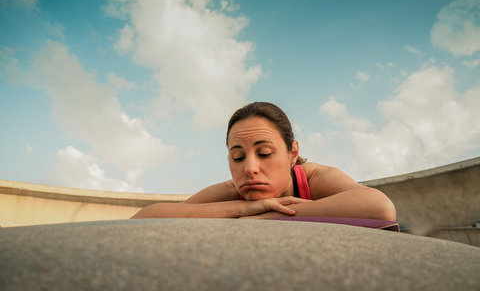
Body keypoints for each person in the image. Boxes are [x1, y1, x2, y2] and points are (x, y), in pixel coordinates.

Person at [131, 102, 396, 220]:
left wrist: (271, 213)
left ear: (292, 153)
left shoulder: (314, 177)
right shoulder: (232, 191)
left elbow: (379, 206)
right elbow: (148, 216)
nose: (249, 169)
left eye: (265, 153)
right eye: (237, 157)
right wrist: (242, 210)